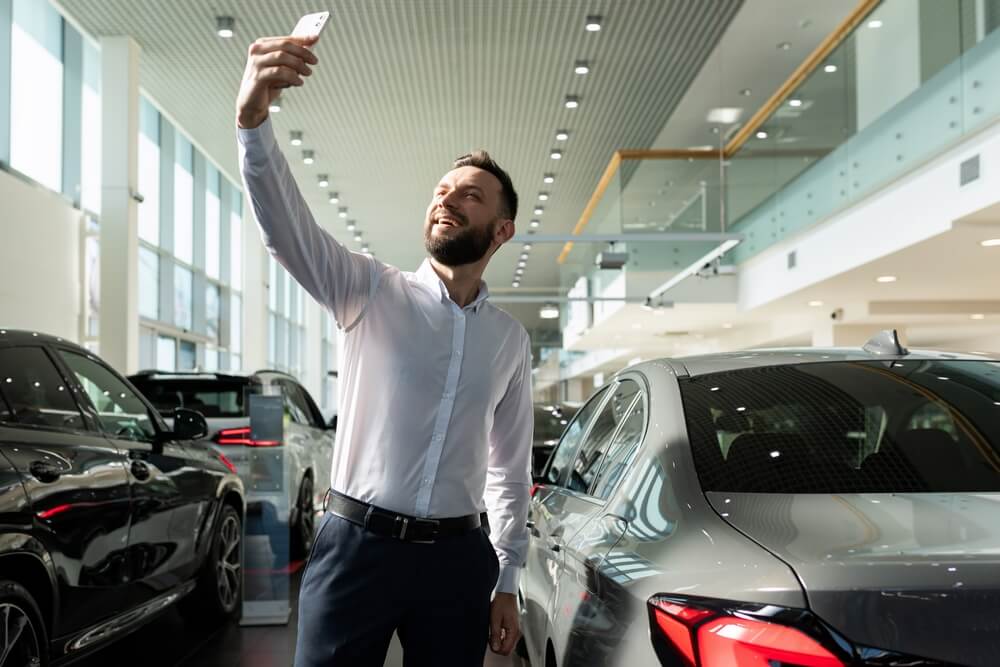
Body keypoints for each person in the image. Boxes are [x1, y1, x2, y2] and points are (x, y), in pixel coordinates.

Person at [235, 33, 533, 667]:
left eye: (469, 195)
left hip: (458, 561)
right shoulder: (368, 290)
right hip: (355, 549)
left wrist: (506, 579)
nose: (446, 197)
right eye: (442, 189)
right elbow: (285, 227)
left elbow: (509, 470)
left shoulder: (508, 339)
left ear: (501, 230)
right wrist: (253, 121)